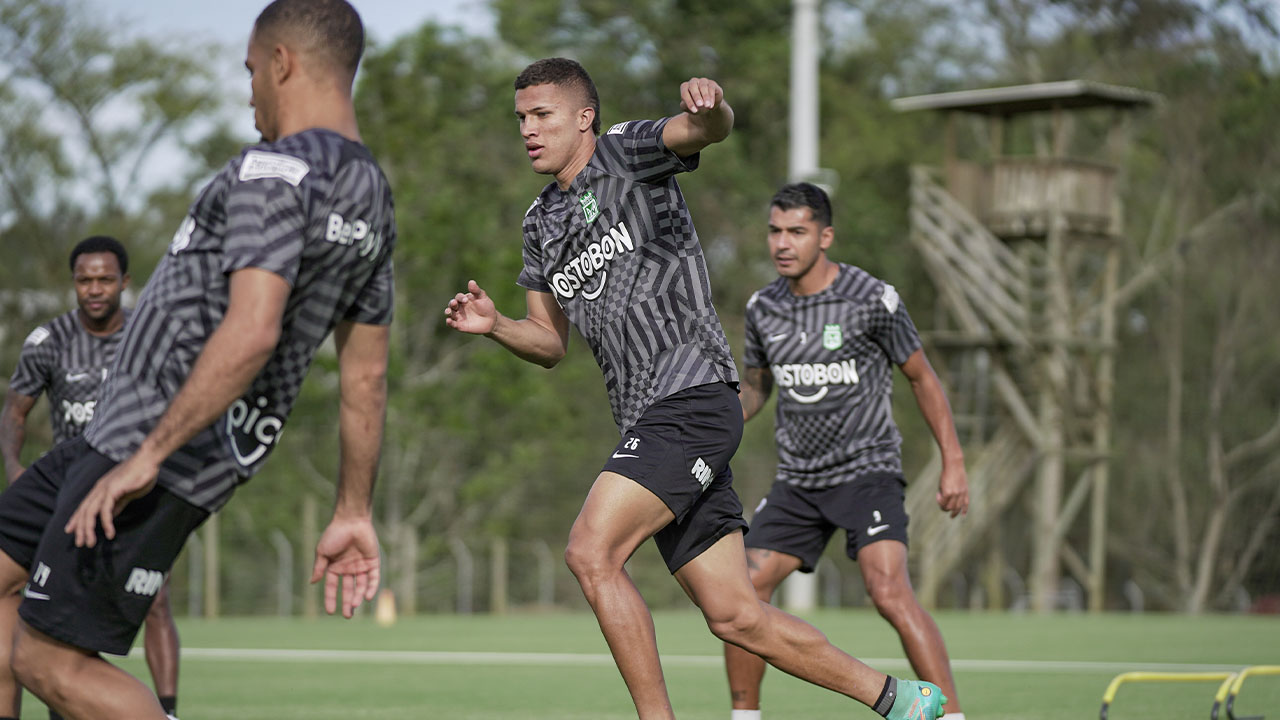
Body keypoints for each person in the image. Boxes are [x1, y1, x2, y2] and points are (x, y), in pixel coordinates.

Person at [445, 58, 945, 720]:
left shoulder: (625, 152)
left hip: (692, 398)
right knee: (738, 617)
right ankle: (899, 699)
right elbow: (548, 343)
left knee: (590, 553)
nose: (528, 130)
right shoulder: (541, 224)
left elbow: (702, 131)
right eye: (521, 120)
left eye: (542, 116)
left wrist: (712, 109)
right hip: (649, 422)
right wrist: (496, 326)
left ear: (583, 117)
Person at [0, 1, 393, 717]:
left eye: (250, 71)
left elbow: (253, 330)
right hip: (109, 438)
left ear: (282, 64)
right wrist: (352, 509)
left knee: (44, 657)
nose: (249, 92)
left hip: (142, 447)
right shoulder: (373, 199)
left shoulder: (273, 169)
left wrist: (148, 455)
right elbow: (365, 375)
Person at [723, 182, 969, 720]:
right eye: (775, 231)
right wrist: (710, 427)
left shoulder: (871, 299)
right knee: (743, 594)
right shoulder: (763, 308)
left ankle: (950, 717)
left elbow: (923, 379)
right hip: (797, 482)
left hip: (867, 473)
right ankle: (744, 717)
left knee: (888, 591)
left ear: (825, 236)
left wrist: (953, 462)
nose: (782, 244)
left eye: (797, 231)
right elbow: (757, 387)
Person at [0, 236, 184, 720]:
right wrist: (15, 470)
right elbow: (15, 412)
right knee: (28, 602)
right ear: (73, 284)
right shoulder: (48, 341)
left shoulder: (146, 338)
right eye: (85, 280)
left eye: (105, 279)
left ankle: (167, 708)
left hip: (128, 491)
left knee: (158, 600)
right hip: (63, 488)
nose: (95, 289)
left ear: (124, 282)